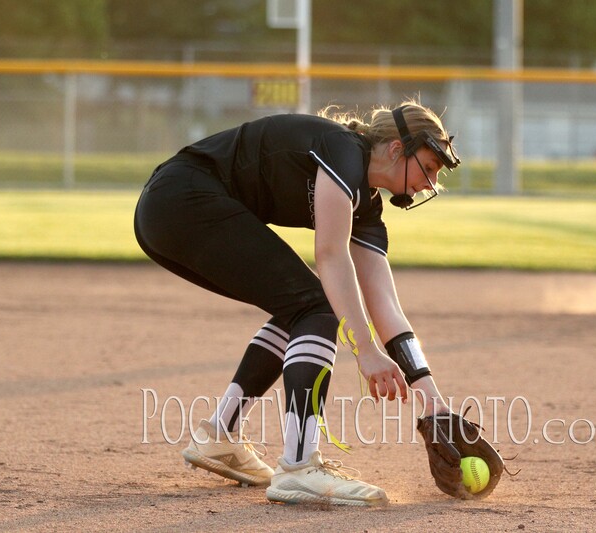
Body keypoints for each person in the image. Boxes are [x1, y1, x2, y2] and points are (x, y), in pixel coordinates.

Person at [134, 100, 461, 506]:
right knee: (319, 308)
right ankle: (299, 466)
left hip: (175, 209)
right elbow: (330, 255)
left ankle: (219, 435)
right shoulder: (343, 149)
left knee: (304, 306)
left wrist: (434, 402)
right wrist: (366, 351)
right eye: (428, 167)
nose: (429, 183)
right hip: (183, 198)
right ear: (396, 149)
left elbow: (386, 305)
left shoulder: (367, 207)